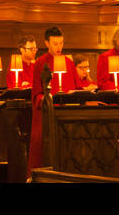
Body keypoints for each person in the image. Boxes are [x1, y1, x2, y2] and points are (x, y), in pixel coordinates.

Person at [28, 27, 81, 171]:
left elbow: (78, 88)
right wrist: (48, 100)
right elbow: (37, 94)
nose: (59, 47)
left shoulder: (69, 63)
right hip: (49, 114)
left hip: (68, 115)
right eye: (55, 43)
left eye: (61, 43)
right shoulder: (40, 63)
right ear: (47, 43)